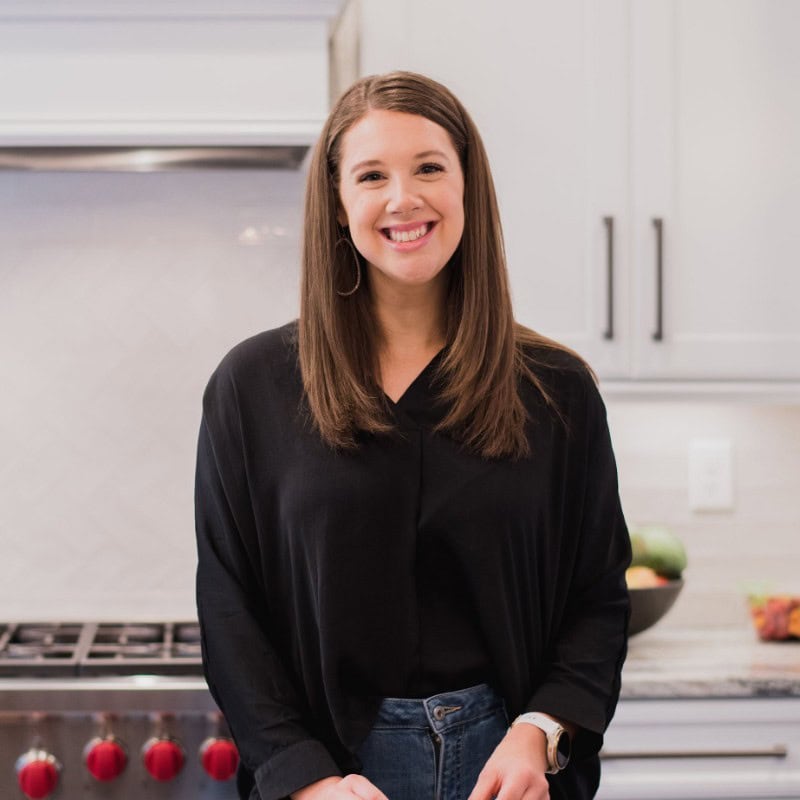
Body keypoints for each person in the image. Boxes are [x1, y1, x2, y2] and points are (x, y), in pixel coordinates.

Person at [195, 71, 631, 800]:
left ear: (468, 188)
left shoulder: (557, 391)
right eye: (372, 175)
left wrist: (540, 733)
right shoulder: (252, 388)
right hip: (335, 773)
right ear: (337, 204)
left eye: (429, 167)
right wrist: (307, 780)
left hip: (508, 773)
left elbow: (598, 599)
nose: (404, 198)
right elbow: (230, 610)